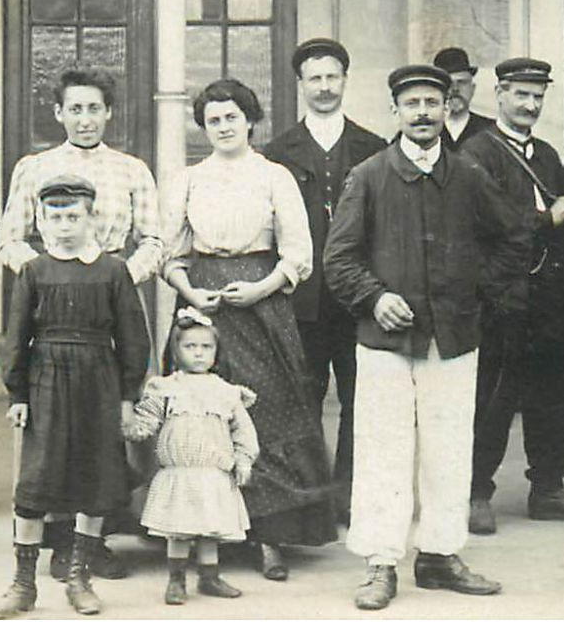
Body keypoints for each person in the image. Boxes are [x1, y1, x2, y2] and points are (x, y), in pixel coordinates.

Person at [324, 63, 520, 611]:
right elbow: (338, 259)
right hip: (385, 343)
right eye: (412, 104)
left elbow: (514, 238)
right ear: (396, 112)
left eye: (433, 103)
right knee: (384, 451)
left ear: (447, 107)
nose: (423, 113)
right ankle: (382, 562)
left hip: (453, 339)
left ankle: (438, 554)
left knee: (449, 451)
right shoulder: (367, 176)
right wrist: (374, 297)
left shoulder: (469, 175)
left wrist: (473, 291)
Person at [159, 78, 334, 580]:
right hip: (202, 303)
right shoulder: (188, 179)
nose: (223, 127)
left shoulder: (274, 176)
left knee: (267, 410)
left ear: (250, 120)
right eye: (213, 120)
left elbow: (299, 252)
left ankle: (269, 536)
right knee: (198, 413)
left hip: (262, 303)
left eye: (231, 117)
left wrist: (262, 288)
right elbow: (171, 253)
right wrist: (190, 292)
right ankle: (197, 529)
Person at [0, 66, 163, 578]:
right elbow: (11, 240)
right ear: (58, 112)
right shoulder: (34, 166)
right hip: (54, 307)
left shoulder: (132, 169)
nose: (85, 119)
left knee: (108, 421)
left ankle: (99, 539)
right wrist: (54, 277)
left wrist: (112, 279)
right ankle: (57, 538)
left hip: (112, 303)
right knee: (54, 426)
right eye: (75, 108)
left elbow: (154, 241)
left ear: (108, 113)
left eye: (94, 108)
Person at [0, 176, 150, 619]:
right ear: (40, 221)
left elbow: (133, 338)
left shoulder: (112, 271)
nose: (63, 225)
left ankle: (79, 578)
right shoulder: (35, 271)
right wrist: (17, 393)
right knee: (37, 476)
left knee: (94, 476)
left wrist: (126, 398)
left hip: (98, 380)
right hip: (46, 381)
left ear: (90, 217)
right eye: (54, 217)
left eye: (72, 216)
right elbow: (16, 337)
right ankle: (23, 583)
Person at [462, 57, 564, 532]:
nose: (529, 105)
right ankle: (475, 492)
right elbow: (488, 224)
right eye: (520, 95)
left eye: (537, 96)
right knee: (493, 396)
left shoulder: (546, 153)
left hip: (553, 296)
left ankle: (549, 488)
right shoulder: (476, 153)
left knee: (559, 394)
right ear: (499, 95)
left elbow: (562, 215)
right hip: (502, 298)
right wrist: (550, 218)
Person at [263, 38, 387, 523]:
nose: (324, 87)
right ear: (301, 86)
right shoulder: (278, 152)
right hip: (303, 301)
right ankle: (310, 498)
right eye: (314, 78)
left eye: (332, 77)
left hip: (356, 299)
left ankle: (349, 495)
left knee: (362, 400)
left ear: (345, 81)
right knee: (303, 397)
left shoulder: (373, 148)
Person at [126, 307, 260, 604]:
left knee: (209, 526)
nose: (199, 354)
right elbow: (147, 419)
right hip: (180, 472)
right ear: (176, 350)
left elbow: (243, 430)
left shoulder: (226, 391)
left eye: (206, 347)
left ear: (216, 351)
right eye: (190, 347)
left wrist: (244, 458)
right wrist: (133, 427)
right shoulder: (166, 388)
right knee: (180, 529)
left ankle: (209, 577)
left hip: (213, 472)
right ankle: (176, 580)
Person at [432, 47, 495, 151]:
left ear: (472, 89)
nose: (455, 89)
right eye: (449, 84)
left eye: (462, 82)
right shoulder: (425, 129)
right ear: (436, 90)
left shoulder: (492, 131)